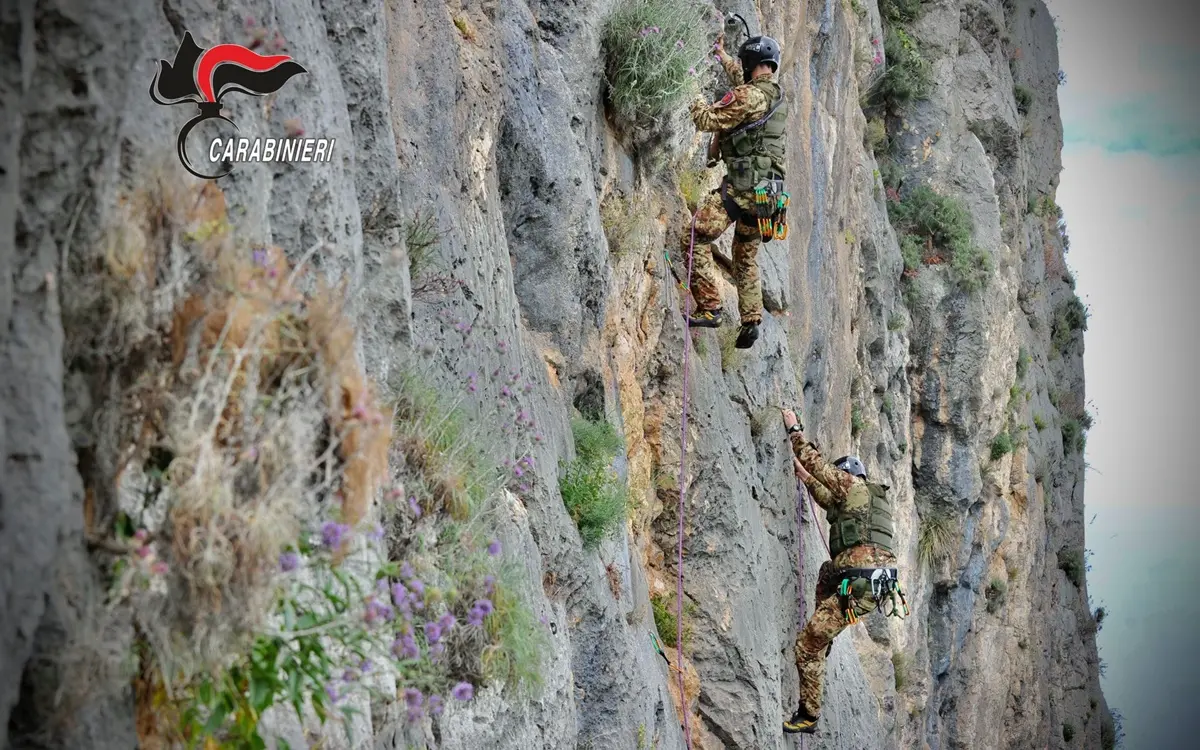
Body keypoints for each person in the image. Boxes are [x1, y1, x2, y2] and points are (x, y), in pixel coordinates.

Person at [781, 408, 909, 734]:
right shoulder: (869, 498)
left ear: (847, 475)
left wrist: (794, 428)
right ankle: (826, 625)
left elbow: (816, 464)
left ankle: (808, 714)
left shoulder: (850, 485)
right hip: (870, 585)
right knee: (826, 572)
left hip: (859, 584)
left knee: (807, 646)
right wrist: (804, 478)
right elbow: (825, 496)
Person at [681, 32, 788, 350]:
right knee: (745, 257)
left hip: (743, 187)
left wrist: (689, 85)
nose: (740, 67)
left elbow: (703, 119)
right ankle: (751, 320)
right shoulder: (774, 95)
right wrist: (721, 55)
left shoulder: (747, 97)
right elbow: (741, 79)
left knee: (695, 236)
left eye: (743, 62)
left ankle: (710, 307)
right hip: (770, 195)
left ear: (753, 63)